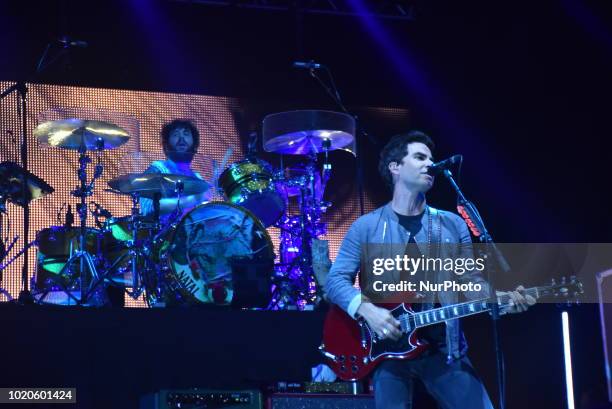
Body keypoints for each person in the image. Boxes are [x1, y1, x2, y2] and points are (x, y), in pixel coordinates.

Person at [325, 130, 536, 409]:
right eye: (420, 157)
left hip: (444, 350)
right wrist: (367, 310)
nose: (430, 164)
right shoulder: (366, 227)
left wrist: (501, 301)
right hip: (387, 352)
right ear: (395, 167)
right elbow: (335, 281)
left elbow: (469, 281)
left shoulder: (451, 225)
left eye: (431, 158)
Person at [140, 119, 211, 220]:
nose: (181, 139)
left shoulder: (197, 178)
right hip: (162, 233)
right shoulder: (157, 169)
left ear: (195, 143)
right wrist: (191, 200)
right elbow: (148, 208)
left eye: (186, 134)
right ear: (166, 143)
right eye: (175, 134)